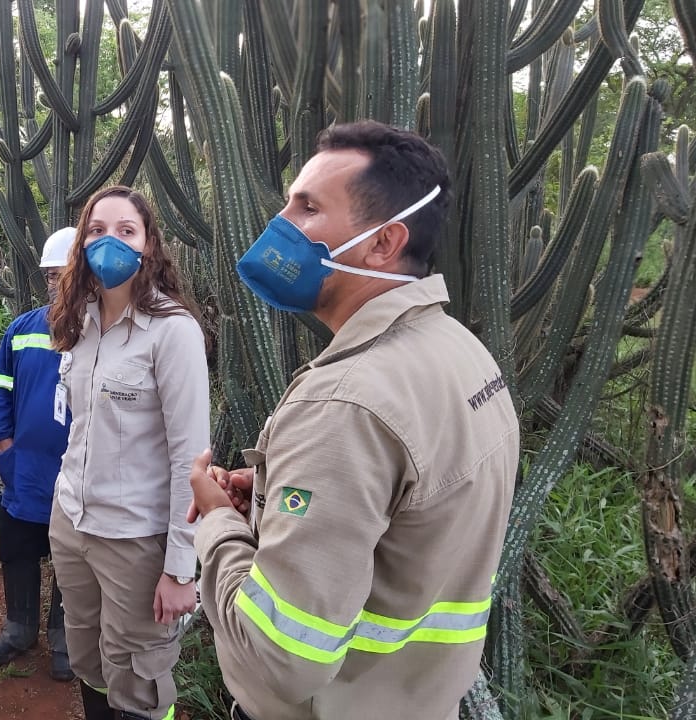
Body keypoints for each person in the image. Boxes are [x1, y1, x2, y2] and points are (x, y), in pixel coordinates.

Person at [188, 121, 520, 720]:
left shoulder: (344, 404)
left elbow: (281, 657)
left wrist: (218, 525)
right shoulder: (463, 353)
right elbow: (396, 526)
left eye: (307, 207)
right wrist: (272, 497)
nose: (281, 223)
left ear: (383, 242)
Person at [47, 186, 210, 720]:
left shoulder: (172, 331)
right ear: (81, 243)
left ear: (148, 245)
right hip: (72, 523)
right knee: (88, 659)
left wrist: (181, 568)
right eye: (96, 230)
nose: (109, 241)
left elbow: (192, 457)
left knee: (138, 675)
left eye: (126, 231)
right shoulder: (79, 322)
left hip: (136, 539)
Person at [0, 227, 78, 681]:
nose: (56, 285)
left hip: (79, 473)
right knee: (18, 547)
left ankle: (65, 637)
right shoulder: (21, 329)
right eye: (49, 276)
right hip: (24, 468)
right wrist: (4, 445)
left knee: (72, 556)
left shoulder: (105, 333)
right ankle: (19, 628)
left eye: (65, 274)